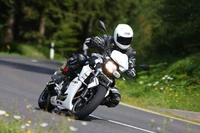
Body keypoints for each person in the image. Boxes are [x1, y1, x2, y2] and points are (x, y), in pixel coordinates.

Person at [52, 23, 136, 108]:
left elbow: (131, 63)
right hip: (98, 62)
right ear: (116, 35)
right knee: (80, 58)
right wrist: (94, 40)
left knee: (115, 98)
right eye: (122, 39)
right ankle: (62, 75)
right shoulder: (108, 39)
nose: (124, 42)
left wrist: (131, 71)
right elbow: (91, 41)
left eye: (127, 40)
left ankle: (91, 100)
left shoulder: (131, 52)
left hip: (111, 75)